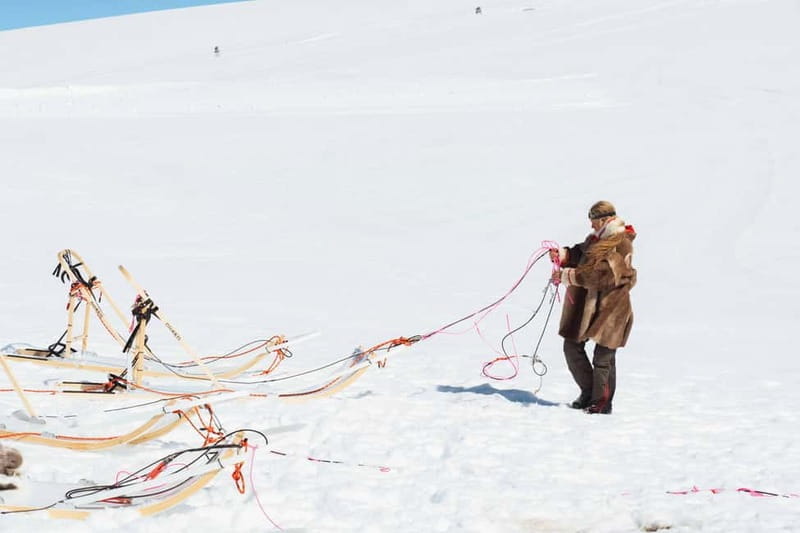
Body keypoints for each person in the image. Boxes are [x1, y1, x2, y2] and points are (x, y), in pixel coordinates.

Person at [549, 201, 637, 414]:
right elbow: (582, 254)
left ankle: (602, 403)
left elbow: (603, 275)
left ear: (605, 220)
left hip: (612, 309)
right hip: (589, 306)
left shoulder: (621, 243)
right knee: (572, 347)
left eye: (594, 221)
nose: (591, 226)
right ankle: (589, 393)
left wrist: (567, 276)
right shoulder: (598, 240)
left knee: (603, 358)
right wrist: (564, 255)